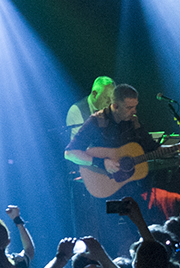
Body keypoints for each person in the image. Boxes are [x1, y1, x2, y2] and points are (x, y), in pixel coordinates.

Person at [64, 84, 163, 255]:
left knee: (143, 232)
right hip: (106, 190)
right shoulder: (97, 121)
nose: (134, 111)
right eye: (129, 107)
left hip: (130, 189)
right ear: (115, 106)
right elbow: (70, 153)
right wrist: (101, 163)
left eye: (135, 106)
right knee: (111, 238)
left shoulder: (133, 121)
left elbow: (151, 148)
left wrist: (176, 149)